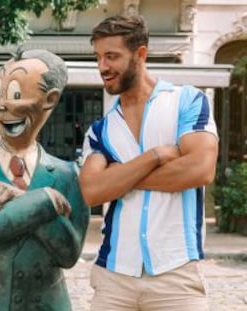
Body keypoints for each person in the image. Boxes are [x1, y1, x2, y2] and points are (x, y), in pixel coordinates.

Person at [79, 14, 218, 311]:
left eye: (112, 56)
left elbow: (200, 169)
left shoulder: (188, 102)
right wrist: (154, 157)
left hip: (177, 275)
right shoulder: (100, 130)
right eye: (98, 57)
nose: (102, 67)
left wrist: (118, 177)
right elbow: (91, 191)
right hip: (113, 278)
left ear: (140, 54)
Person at [0, 48, 89, 311]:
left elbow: (69, 254)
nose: (1, 104)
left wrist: (18, 197)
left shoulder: (66, 174)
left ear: (49, 100)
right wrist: (44, 200)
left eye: (15, 94)